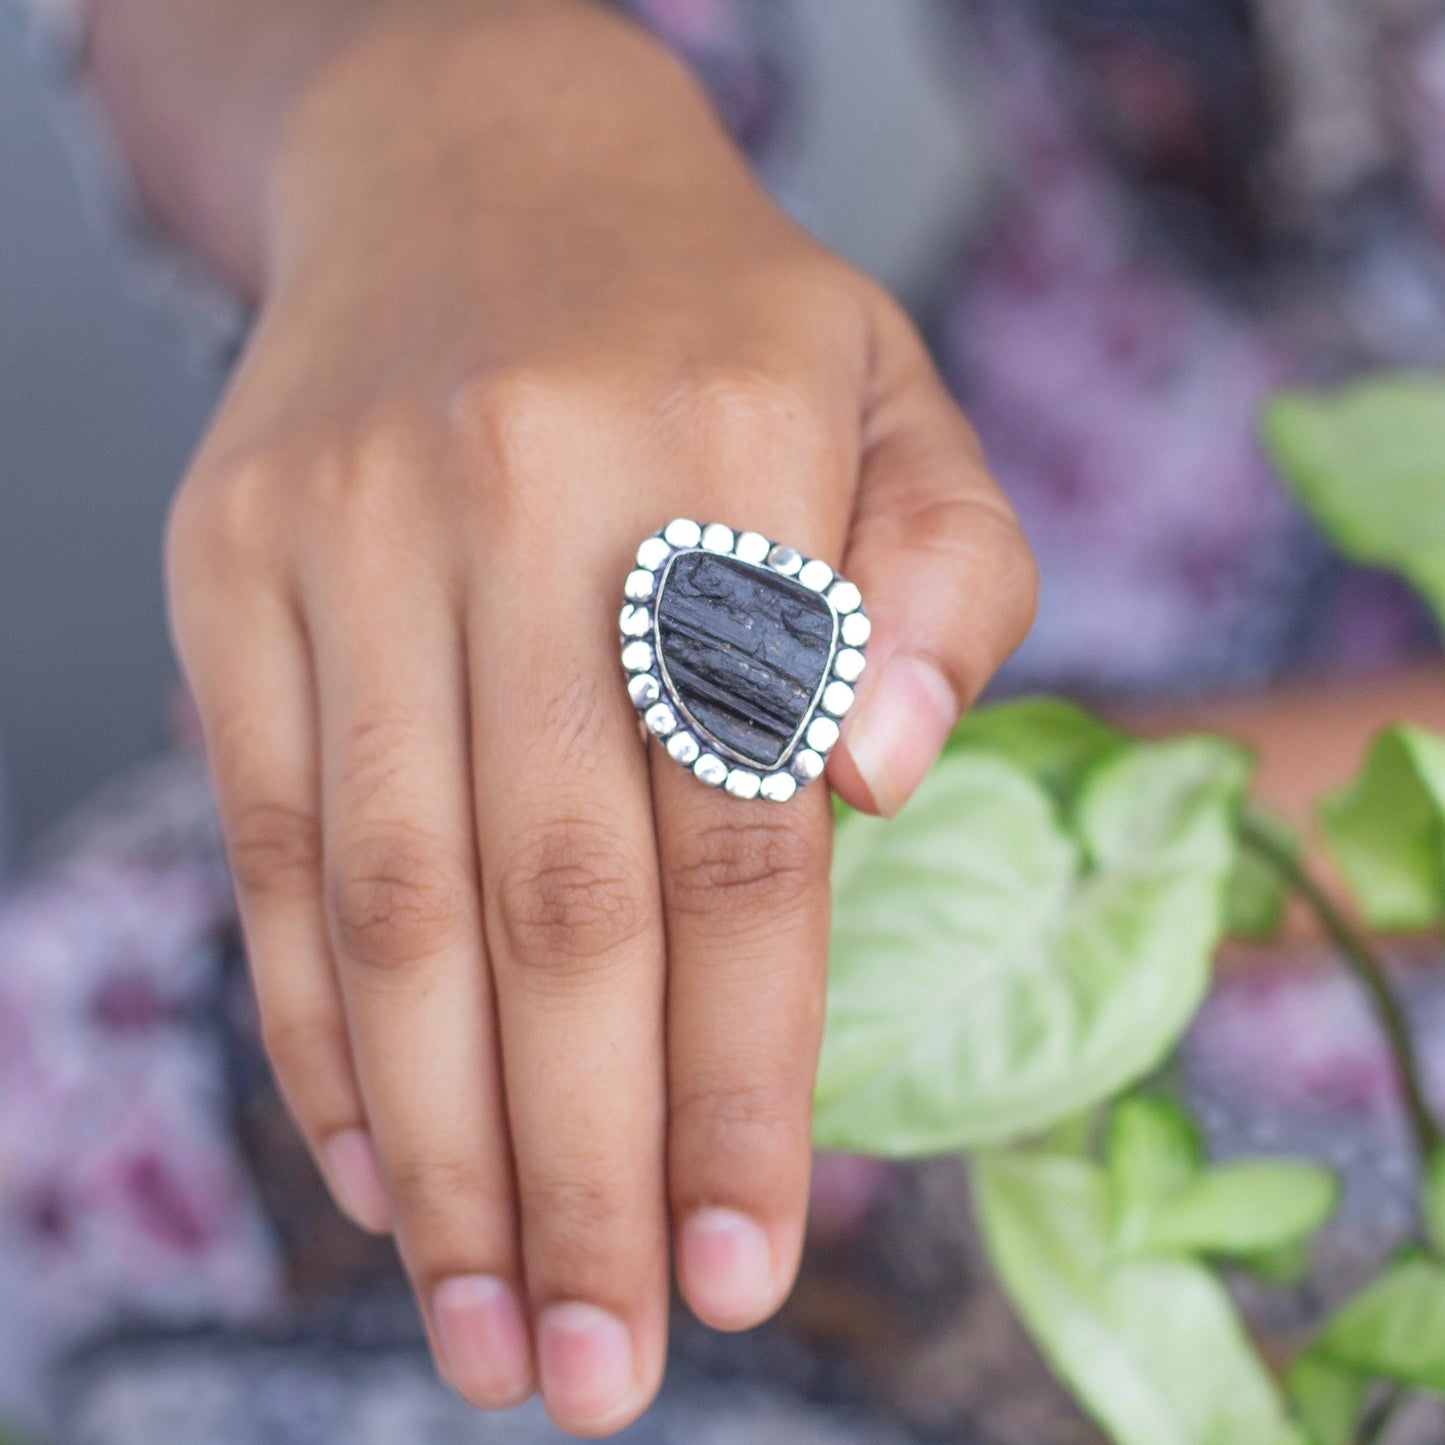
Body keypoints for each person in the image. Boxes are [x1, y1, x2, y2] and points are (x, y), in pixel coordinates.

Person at [2, 0, 1443, 1440]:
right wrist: (441, 117)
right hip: (1016, 501)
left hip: (1289, 842)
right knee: (138, 1017)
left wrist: (1070, 847)